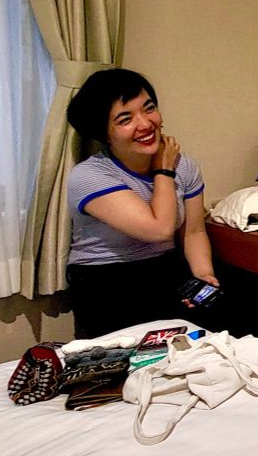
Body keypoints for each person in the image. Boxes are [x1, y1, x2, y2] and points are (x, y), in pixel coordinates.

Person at [65, 68, 218, 338]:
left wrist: (203, 276)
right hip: (105, 281)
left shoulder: (185, 166)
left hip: (165, 269)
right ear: (104, 133)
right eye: (125, 119)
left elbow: (194, 231)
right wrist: (163, 172)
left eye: (149, 108)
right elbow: (159, 230)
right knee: (135, 363)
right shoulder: (90, 176)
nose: (146, 124)